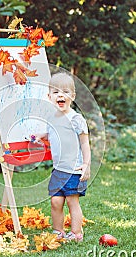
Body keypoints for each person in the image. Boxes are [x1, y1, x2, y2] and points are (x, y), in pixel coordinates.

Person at [33, 72, 91, 242]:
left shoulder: (76, 119)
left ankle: (76, 233)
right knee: (56, 202)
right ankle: (58, 231)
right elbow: (50, 131)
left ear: (72, 96)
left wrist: (86, 164)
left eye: (65, 92)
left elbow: (85, 144)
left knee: (73, 202)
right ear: (49, 96)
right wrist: (40, 135)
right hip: (58, 170)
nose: (61, 95)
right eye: (56, 92)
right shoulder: (51, 117)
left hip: (74, 170)